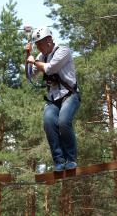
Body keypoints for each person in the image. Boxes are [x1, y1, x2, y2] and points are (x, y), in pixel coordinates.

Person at [25, 26, 80, 171]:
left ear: (49, 40)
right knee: (48, 123)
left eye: (40, 44)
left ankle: (70, 159)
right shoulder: (41, 57)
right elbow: (30, 75)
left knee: (63, 122)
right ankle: (59, 161)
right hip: (53, 99)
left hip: (70, 95)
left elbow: (50, 68)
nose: (39, 47)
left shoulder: (63, 51)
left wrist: (33, 62)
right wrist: (28, 56)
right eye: (37, 45)